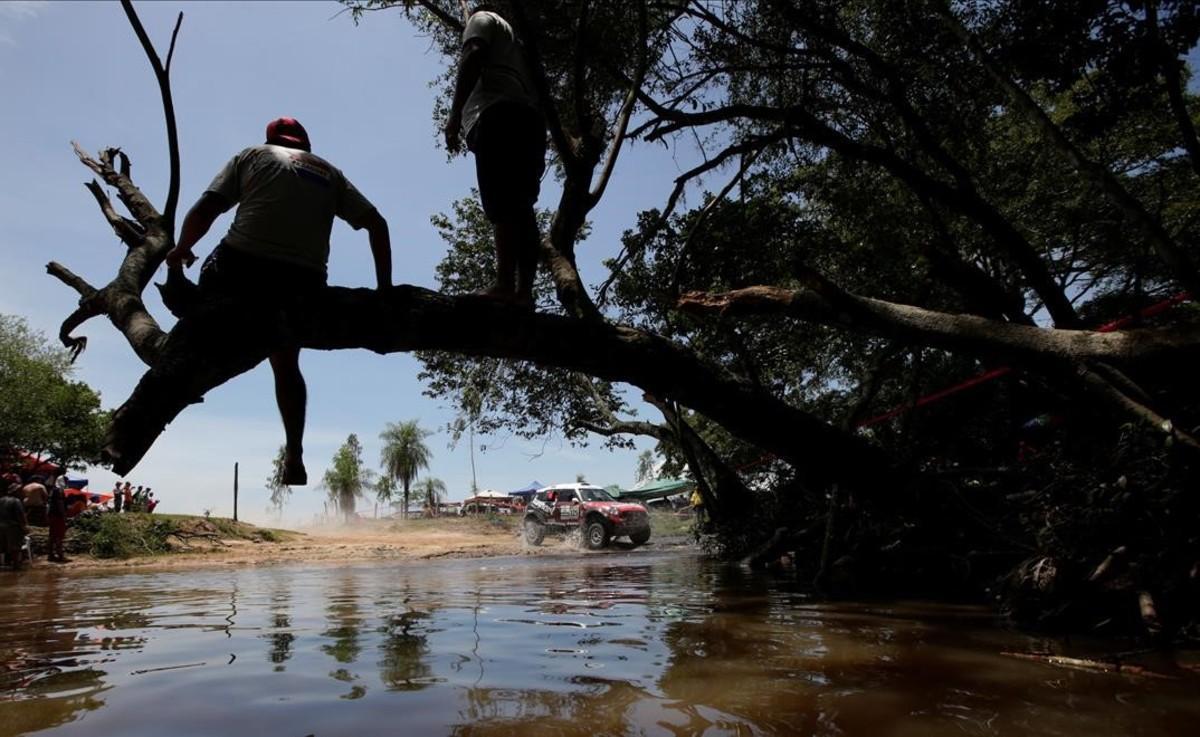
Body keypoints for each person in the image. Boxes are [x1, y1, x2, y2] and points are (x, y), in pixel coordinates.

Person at [165, 117, 392, 486]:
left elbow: (207, 209)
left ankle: (184, 363)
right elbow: (377, 223)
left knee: (198, 307)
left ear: (272, 139)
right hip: (303, 283)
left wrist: (181, 250)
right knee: (286, 363)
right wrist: (385, 291)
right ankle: (294, 453)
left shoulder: (253, 155)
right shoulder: (329, 172)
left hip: (241, 268)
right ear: (306, 145)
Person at [444, 5, 546, 308]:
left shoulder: (481, 19)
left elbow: (474, 53)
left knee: (501, 202)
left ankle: (503, 285)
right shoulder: (519, 47)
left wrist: (454, 117)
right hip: (528, 122)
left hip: (496, 115)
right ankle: (524, 292)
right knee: (522, 207)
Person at [0, 484, 29, 570]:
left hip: (1, 526)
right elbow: (20, 516)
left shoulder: (0, 500)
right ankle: (16, 567)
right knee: (15, 548)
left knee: (2, 547)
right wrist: (24, 528)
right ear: (16, 492)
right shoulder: (16, 501)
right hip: (12, 527)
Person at [46, 480, 67, 563]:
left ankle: (50, 555)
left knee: (52, 536)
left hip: (52, 517)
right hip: (58, 517)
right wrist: (64, 516)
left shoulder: (51, 498)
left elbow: (47, 510)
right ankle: (60, 555)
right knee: (59, 537)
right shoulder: (59, 495)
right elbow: (61, 506)